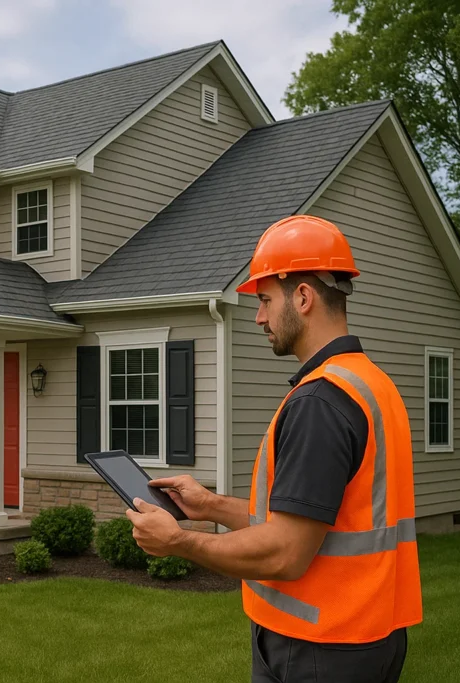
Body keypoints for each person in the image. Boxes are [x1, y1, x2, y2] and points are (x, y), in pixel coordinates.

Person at [126, 215, 423, 682]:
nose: (259, 317)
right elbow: (310, 521)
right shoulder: (371, 383)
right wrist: (210, 506)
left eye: (265, 300)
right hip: (365, 638)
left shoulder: (320, 402)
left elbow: (285, 551)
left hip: (318, 649)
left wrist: (179, 541)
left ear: (302, 297)